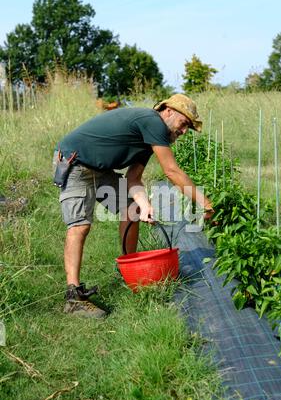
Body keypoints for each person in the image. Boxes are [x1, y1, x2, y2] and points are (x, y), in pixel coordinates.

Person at [53, 93, 214, 318]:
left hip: (101, 171)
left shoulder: (150, 139)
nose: (184, 131)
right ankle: (73, 297)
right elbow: (171, 171)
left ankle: (128, 269)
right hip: (75, 164)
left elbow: (134, 179)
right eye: (184, 123)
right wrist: (206, 203)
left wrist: (145, 204)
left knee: (133, 210)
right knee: (80, 225)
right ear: (168, 111)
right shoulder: (152, 122)